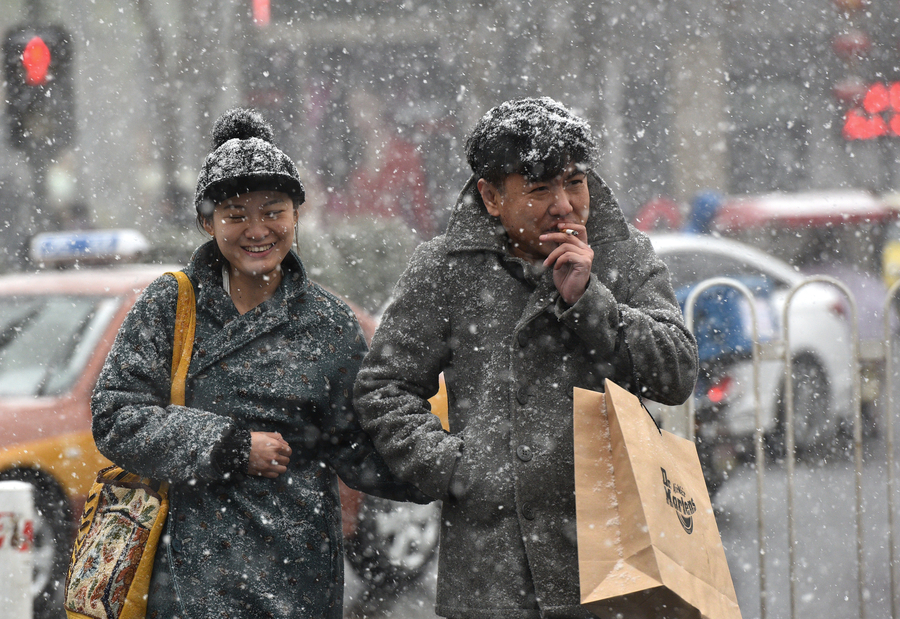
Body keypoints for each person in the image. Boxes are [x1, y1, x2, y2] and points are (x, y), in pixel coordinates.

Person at [354, 97, 699, 619]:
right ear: (492, 196)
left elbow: (676, 372)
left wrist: (591, 302)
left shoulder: (622, 256)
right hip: (493, 567)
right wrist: (452, 466)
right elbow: (383, 386)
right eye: (539, 189)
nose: (564, 204)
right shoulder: (447, 268)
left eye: (574, 182)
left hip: (612, 550)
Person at [91, 108, 429, 619]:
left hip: (299, 565)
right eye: (235, 215)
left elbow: (357, 446)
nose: (257, 230)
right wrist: (229, 446)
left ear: (297, 213)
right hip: (189, 567)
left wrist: (441, 465)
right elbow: (116, 415)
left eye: (273, 211)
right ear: (208, 223)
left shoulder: (330, 322)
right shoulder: (170, 305)